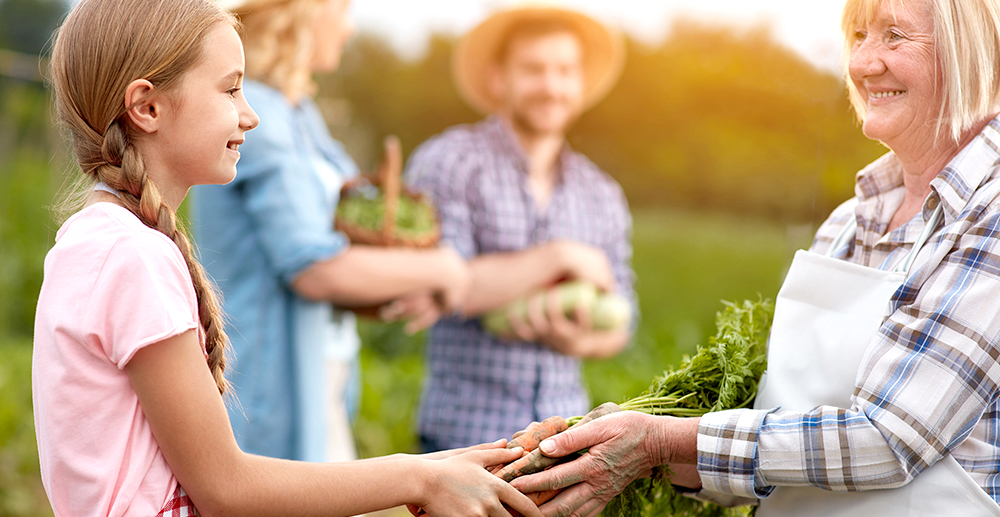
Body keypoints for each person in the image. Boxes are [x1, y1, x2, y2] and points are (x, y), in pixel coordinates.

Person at [31, 0, 541, 515]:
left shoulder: (97, 242)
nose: (249, 115)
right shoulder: (133, 256)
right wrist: (420, 477)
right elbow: (226, 488)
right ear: (147, 107)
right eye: (230, 89)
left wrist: (438, 470)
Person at [508, 0, 1000, 515]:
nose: (862, 63)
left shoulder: (987, 213)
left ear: (966, 47)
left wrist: (662, 439)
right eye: (858, 36)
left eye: (894, 36)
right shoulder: (851, 221)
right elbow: (778, 445)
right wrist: (619, 446)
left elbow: (889, 439)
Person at [191, 0, 469, 464]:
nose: (349, 26)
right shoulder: (260, 118)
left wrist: (412, 280)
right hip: (270, 386)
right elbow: (313, 268)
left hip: (322, 377)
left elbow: (342, 236)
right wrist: (441, 268)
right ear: (299, 12)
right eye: (340, 7)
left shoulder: (298, 114)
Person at [400, 6, 637, 452]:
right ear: (497, 78)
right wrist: (560, 256)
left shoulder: (602, 193)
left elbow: (623, 318)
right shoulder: (451, 162)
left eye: (565, 70)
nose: (551, 86)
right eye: (533, 69)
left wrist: (578, 336)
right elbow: (443, 284)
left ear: (580, 82)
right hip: (463, 441)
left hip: (566, 439)